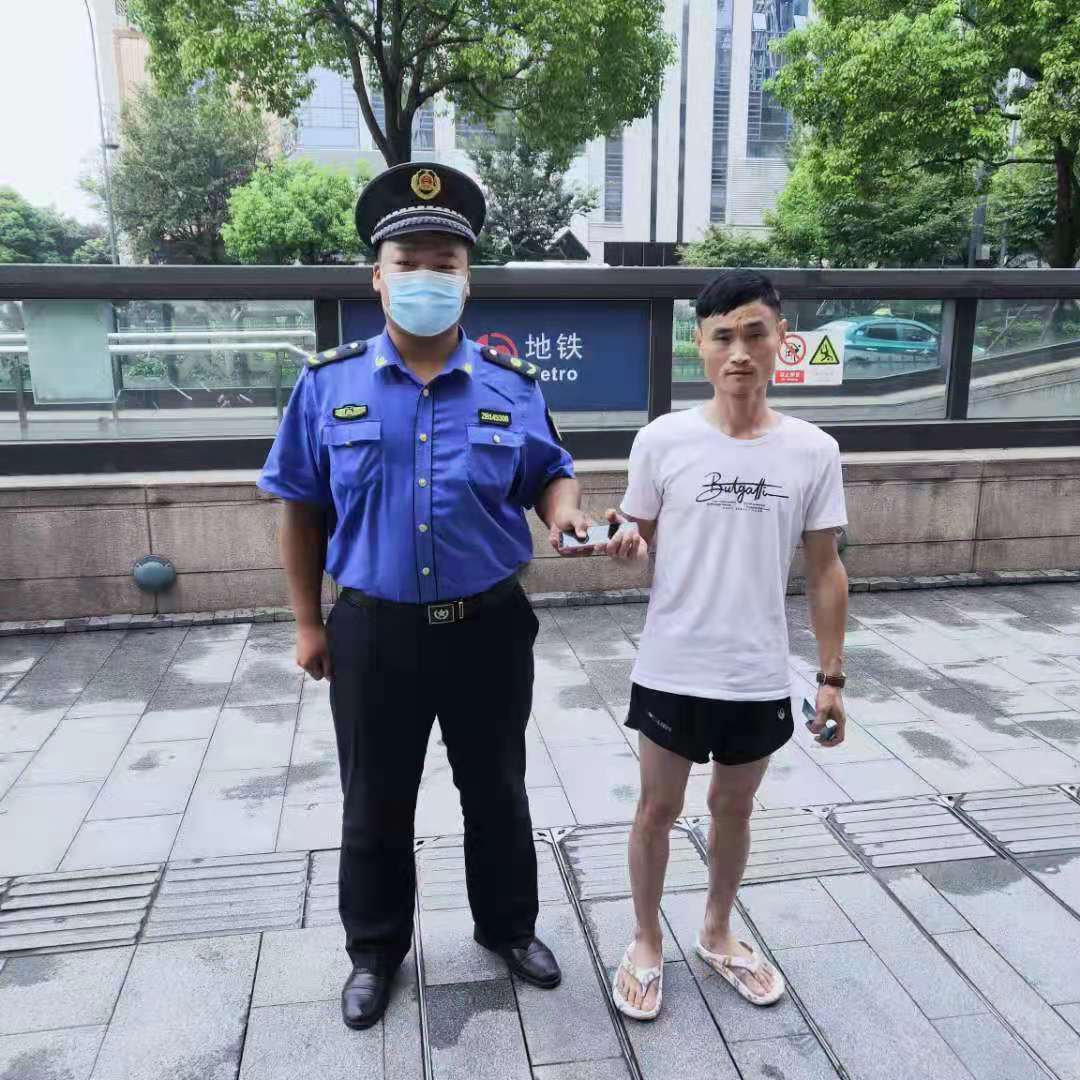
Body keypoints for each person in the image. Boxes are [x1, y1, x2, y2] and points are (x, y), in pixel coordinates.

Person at [258, 161, 593, 1030]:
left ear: (467, 280)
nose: (426, 277)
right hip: (374, 630)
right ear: (377, 276)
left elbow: (551, 472)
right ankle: (374, 951)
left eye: (445, 263)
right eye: (407, 262)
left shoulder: (512, 386)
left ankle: (508, 928)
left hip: (488, 628)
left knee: (498, 789)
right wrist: (307, 623)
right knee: (375, 800)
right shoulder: (327, 386)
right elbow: (300, 509)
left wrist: (564, 514)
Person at [603, 269, 849, 1020]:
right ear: (700, 346)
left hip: (757, 671)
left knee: (733, 809)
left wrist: (831, 677)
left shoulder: (813, 450)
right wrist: (624, 542)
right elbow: (635, 534)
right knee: (657, 808)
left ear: (781, 340)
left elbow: (826, 568)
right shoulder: (662, 439)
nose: (739, 352)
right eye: (722, 337)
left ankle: (716, 931)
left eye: (753, 334)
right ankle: (645, 939)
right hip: (672, 664)